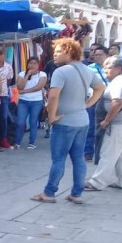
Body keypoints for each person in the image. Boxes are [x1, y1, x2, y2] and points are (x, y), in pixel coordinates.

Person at [31, 38, 104, 204]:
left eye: (58, 52)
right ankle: (76, 193)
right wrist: (87, 105)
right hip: (82, 120)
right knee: (78, 158)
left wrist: (51, 117)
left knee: (58, 159)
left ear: (69, 51)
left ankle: (49, 192)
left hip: (64, 121)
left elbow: (53, 95)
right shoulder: (86, 70)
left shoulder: (61, 72)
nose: (54, 55)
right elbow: (100, 88)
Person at [84, 56, 122, 191]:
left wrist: (107, 120)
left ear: (118, 68)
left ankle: (97, 182)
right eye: (104, 66)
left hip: (118, 124)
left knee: (108, 153)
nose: (105, 69)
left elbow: (117, 102)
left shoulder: (120, 81)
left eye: (108, 67)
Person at [13, 57, 47, 150]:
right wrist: (27, 75)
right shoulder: (21, 74)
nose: (32, 65)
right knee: (20, 122)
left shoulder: (42, 74)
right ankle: (17, 142)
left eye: (35, 63)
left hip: (36, 101)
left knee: (33, 121)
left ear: (38, 65)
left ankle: (32, 142)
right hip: (23, 101)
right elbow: (20, 86)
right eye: (30, 63)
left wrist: (25, 91)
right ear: (27, 64)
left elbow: (38, 87)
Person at [85, 47, 108, 162]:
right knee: (90, 127)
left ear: (106, 55)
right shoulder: (89, 68)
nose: (97, 57)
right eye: (95, 55)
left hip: (108, 100)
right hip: (93, 100)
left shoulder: (110, 68)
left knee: (105, 127)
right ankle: (88, 152)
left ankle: (102, 153)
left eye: (100, 54)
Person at [0, 48, 14, 148]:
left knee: (4, 117)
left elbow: (9, 80)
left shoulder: (8, 67)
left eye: (0, 54)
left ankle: (2, 138)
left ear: (4, 55)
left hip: (4, 95)